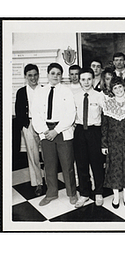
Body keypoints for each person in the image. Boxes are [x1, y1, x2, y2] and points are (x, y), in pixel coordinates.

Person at [31, 62, 77, 206]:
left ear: (61, 76)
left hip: (62, 129)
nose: (55, 76)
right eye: (53, 73)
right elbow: (35, 112)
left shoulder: (66, 91)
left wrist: (56, 130)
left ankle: (72, 193)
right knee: (49, 164)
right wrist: (44, 131)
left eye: (58, 74)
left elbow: (71, 113)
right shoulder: (40, 91)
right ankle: (51, 193)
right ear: (48, 74)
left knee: (67, 163)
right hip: (45, 130)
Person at [101, 77, 125, 208]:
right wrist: (104, 144)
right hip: (113, 143)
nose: (118, 90)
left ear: (124, 87)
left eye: (120, 87)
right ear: (111, 90)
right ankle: (116, 195)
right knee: (114, 169)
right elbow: (104, 126)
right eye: (115, 88)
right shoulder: (107, 105)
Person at [73, 68, 105, 208]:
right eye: (83, 79)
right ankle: (84, 193)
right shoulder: (74, 96)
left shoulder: (100, 96)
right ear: (79, 80)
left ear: (93, 79)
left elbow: (108, 115)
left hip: (95, 131)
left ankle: (98, 192)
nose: (86, 82)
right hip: (80, 131)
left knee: (97, 163)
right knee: (81, 163)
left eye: (89, 79)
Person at [15, 64, 43, 196]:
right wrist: (24, 125)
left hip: (44, 125)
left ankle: (50, 181)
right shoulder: (21, 92)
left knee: (48, 155)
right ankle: (38, 183)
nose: (33, 78)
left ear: (39, 75)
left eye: (35, 74)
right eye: (30, 75)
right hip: (28, 124)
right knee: (32, 156)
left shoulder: (44, 89)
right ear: (25, 76)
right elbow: (18, 110)